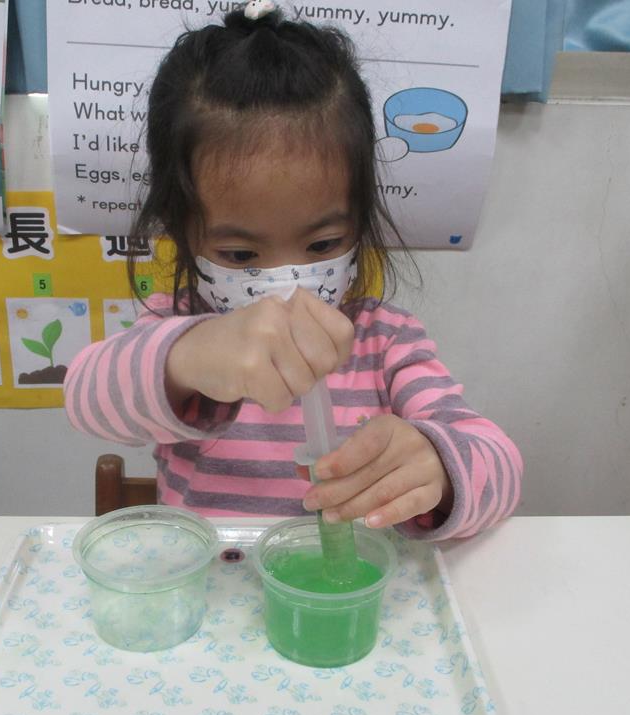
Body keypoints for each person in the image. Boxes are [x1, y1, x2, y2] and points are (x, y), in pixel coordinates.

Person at [64, 5, 522, 540]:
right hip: (214, 586)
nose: (288, 285)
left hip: (348, 587)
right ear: (181, 229)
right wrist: (188, 357)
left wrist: (438, 467)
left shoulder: (385, 342)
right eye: (240, 255)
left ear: (360, 220)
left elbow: (501, 465)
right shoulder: (176, 327)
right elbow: (84, 400)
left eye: (322, 244)